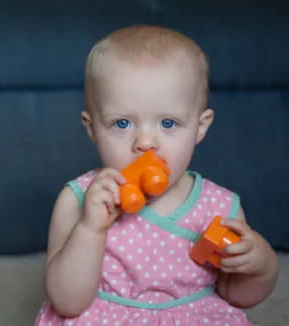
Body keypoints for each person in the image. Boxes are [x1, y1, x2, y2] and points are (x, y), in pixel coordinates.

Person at [35, 25, 278, 325]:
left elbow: (236, 295)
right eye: (122, 123)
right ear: (92, 128)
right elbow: (66, 301)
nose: (146, 142)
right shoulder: (79, 199)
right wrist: (90, 229)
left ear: (200, 127)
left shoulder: (219, 205)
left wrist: (260, 267)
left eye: (168, 123)